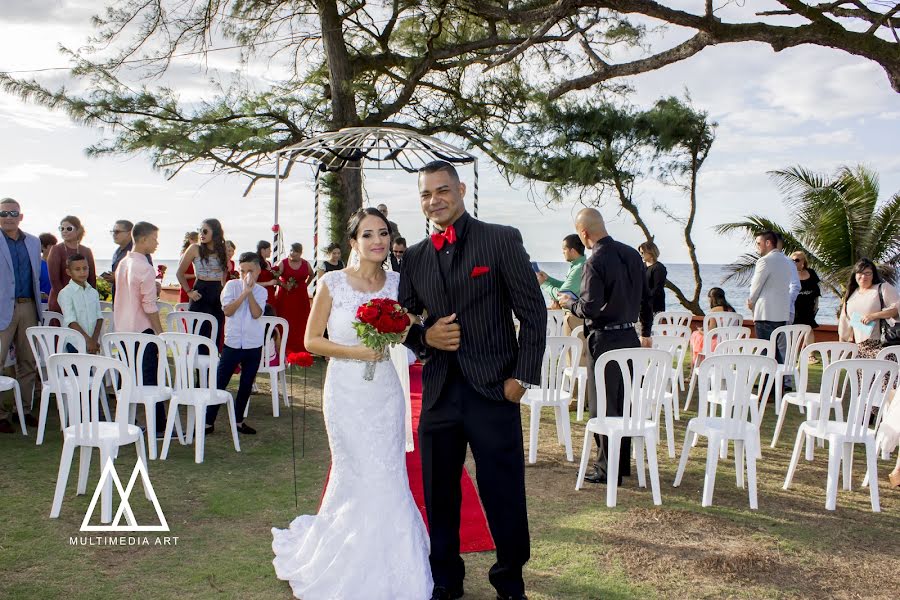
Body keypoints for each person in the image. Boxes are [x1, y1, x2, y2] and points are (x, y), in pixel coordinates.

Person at [400, 161, 546, 600]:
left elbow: (533, 313)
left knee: (502, 490)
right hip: (439, 394)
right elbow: (402, 320)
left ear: (460, 189)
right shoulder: (415, 257)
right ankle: (446, 579)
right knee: (439, 492)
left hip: (494, 389)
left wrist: (522, 376)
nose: (434, 200)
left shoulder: (501, 239)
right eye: (426, 194)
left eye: (442, 190)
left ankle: (509, 579)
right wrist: (425, 336)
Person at [272, 208, 432, 599]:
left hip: (385, 394)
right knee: (354, 472)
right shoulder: (332, 282)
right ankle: (343, 557)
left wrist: (399, 332)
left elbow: (413, 324)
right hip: (345, 392)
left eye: (382, 233)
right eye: (367, 234)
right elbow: (311, 340)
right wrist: (357, 352)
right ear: (353, 242)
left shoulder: (399, 283)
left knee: (387, 472)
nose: (376, 241)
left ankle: (396, 563)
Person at [559, 208, 652, 489]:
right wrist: (645, 331)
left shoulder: (594, 261)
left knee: (602, 405)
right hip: (630, 338)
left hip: (605, 339)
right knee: (622, 402)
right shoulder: (632, 255)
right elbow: (646, 300)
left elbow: (589, 307)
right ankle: (621, 463)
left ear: (584, 233)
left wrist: (568, 303)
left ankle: (605, 467)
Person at [205, 252, 267, 436]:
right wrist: (244, 292)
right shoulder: (231, 286)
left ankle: (239, 421)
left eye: (250, 271)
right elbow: (228, 311)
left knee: (246, 384)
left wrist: (250, 294)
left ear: (258, 271)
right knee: (220, 382)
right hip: (232, 343)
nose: (246, 275)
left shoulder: (262, 291)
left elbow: (256, 314)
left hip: (253, 344)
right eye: (242, 271)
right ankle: (209, 422)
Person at [113, 221, 166, 436]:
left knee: (127, 378)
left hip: (123, 328)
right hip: (141, 330)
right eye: (154, 238)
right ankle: (158, 426)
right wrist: (160, 332)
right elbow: (149, 306)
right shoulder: (144, 267)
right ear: (143, 239)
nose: (157, 243)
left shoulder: (123, 263)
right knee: (150, 379)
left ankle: (125, 422)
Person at [0, 198, 42, 434]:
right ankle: (2, 414)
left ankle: (23, 410)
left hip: (28, 307)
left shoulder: (34, 243)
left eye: (13, 212)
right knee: (2, 362)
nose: (8, 217)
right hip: (1, 309)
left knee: (28, 361)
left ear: (21, 216)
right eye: (3, 213)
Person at [177, 219, 228, 350]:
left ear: (215, 233)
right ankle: (200, 369)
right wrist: (189, 292)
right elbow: (179, 273)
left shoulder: (222, 250)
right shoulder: (194, 248)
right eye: (200, 230)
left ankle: (212, 369)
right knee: (200, 336)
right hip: (200, 292)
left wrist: (224, 292)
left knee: (215, 335)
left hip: (217, 294)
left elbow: (224, 273)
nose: (201, 234)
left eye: (205, 231)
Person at [747, 230, 794, 364]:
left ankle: (770, 383)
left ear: (768, 243)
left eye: (758, 243)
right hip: (781, 313)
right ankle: (778, 382)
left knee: (767, 351)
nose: (757, 247)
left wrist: (751, 301)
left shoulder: (765, 261)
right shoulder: (786, 261)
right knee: (774, 350)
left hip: (765, 313)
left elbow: (756, 285)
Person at [837, 258, 899, 358]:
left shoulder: (882, 288)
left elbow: (896, 310)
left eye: (867, 273)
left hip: (882, 345)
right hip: (860, 348)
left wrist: (874, 316)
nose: (863, 276)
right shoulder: (850, 295)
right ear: (855, 275)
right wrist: (841, 348)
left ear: (873, 274)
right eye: (860, 273)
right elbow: (844, 324)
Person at [47, 215, 97, 313]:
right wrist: (67, 301)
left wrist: (89, 299)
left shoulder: (86, 251)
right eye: (62, 228)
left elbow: (92, 279)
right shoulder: (56, 250)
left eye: (69, 228)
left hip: (83, 301)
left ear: (78, 230)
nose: (64, 231)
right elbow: (55, 280)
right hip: (60, 301)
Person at [57, 254, 103, 354]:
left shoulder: (93, 292)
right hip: (74, 343)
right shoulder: (65, 293)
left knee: (90, 369)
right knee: (76, 369)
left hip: (92, 341)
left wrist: (94, 340)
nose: (82, 272)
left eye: (85, 268)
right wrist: (87, 340)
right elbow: (70, 321)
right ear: (69, 272)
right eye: (77, 269)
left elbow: (99, 318)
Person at [275, 242, 313, 353]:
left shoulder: (306, 263)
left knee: (301, 320)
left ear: (301, 253)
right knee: (285, 319)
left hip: (301, 296)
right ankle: (282, 347)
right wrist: (283, 285)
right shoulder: (283, 263)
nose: (293, 253)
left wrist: (305, 285)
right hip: (286, 296)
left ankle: (301, 347)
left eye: (296, 251)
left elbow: (312, 274)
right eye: (291, 250)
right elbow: (275, 277)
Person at [689, 287, 737, 363]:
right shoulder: (732, 310)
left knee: (695, 334)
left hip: (717, 345)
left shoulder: (714, 310)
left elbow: (711, 332)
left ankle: (695, 366)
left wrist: (701, 331)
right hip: (731, 344)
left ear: (712, 298)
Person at [537, 233, 586, 305]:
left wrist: (543, 284)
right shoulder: (578, 265)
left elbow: (561, 294)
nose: (562, 252)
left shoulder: (579, 268)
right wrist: (548, 279)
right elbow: (567, 286)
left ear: (572, 251)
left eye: (564, 249)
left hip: (575, 314)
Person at [791, 250, 821, 354]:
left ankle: (811, 354)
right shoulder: (789, 274)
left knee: (809, 329)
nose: (794, 262)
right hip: (794, 306)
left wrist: (816, 305)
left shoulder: (811, 273)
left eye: (797, 260)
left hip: (808, 306)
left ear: (803, 261)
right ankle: (792, 353)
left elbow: (816, 292)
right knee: (793, 330)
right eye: (792, 260)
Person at [102, 219, 134, 298]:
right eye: (112, 232)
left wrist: (117, 278)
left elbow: (143, 278)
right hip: (118, 300)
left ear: (129, 233)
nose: (114, 234)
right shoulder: (117, 252)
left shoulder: (138, 251)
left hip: (132, 302)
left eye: (117, 232)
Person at [639, 240, 667, 315]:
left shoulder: (659, 268)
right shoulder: (641, 266)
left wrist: (644, 299)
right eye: (640, 252)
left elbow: (657, 289)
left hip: (655, 307)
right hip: (641, 307)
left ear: (650, 252)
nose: (641, 254)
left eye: (642, 252)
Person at [255, 240, 280, 310]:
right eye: (269, 249)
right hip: (260, 294)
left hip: (270, 294)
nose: (271, 251)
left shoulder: (268, 263)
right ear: (263, 250)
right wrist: (268, 283)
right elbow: (252, 283)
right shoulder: (256, 263)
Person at [177, 231, 199, 304]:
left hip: (195, 288)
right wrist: (196, 275)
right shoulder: (184, 256)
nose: (197, 242)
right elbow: (181, 274)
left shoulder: (197, 256)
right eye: (196, 240)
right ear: (190, 240)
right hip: (187, 288)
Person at [38, 233, 56, 302]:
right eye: (51, 245)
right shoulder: (37, 265)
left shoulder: (57, 264)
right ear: (42, 247)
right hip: (42, 305)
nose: (54, 248)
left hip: (57, 304)